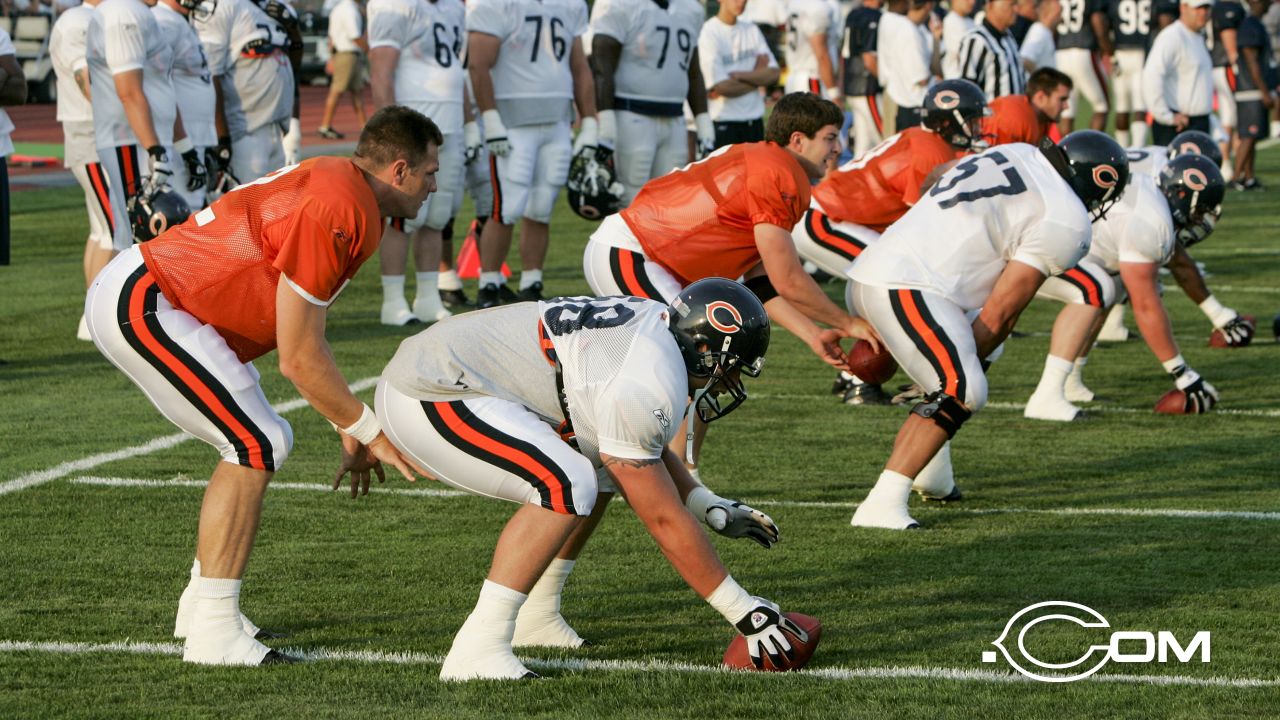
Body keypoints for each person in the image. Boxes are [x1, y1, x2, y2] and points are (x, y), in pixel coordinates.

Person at [84, 106, 441, 665]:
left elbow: (304, 342)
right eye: (428, 172)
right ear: (399, 171)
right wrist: (369, 430)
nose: (433, 186)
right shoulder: (340, 205)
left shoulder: (339, 186)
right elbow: (297, 357)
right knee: (257, 441)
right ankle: (215, 633)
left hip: (168, 301)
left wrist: (342, 421)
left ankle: (201, 608)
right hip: (151, 299)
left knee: (261, 437)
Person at [375, 280, 801, 680]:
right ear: (704, 347)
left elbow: (640, 452)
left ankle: (537, 614)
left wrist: (707, 504)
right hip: (437, 388)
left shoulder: (657, 328)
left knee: (595, 467)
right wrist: (745, 612)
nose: (732, 380)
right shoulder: (647, 379)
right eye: (732, 367)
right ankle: (478, 648)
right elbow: (661, 517)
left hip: (459, 370)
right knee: (567, 481)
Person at [846, 130, 1129, 529]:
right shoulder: (1067, 218)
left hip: (880, 268)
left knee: (975, 361)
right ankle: (882, 503)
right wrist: (950, 377)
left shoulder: (1019, 151)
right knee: (964, 388)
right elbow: (1002, 311)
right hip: (907, 285)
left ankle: (933, 473)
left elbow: (937, 177)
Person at [793, 79, 989, 405]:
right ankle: (860, 379)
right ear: (948, 121)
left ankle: (854, 376)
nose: (976, 128)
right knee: (892, 284)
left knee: (889, 288)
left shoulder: (927, 142)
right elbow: (922, 226)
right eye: (970, 120)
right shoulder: (931, 151)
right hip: (824, 219)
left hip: (834, 216)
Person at [1025, 153, 1224, 420]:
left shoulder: (1150, 193)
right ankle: (1046, 396)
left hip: (1056, 241)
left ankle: (1070, 380)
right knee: (1098, 289)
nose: (1200, 220)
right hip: (1034, 245)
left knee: (1114, 285)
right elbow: (1146, 305)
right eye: (1200, 211)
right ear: (1181, 195)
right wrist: (1182, 374)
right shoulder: (1154, 221)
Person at [467, 0, 597, 307]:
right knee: (507, 207)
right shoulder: (496, 5)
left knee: (542, 205)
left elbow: (580, 66)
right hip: (514, 122)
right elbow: (478, 64)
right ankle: (488, 284)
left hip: (556, 121)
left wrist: (590, 119)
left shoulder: (570, 5)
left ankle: (532, 281)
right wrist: (490, 118)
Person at [1099, 131, 1254, 346]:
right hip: (1091, 218)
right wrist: (1220, 315)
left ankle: (1110, 326)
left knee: (1128, 263)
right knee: (1136, 267)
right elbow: (1179, 262)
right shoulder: (1160, 178)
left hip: (1105, 214)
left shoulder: (1160, 159)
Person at [367, 0, 464, 326]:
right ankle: (393, 302)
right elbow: (381, 71)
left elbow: (457, 71)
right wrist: (391, 131)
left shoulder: (453, 7)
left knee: (437, 217)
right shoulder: (395, 5)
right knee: (400, 219)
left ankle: (427, 296)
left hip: (450, 126)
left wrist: (473, 123)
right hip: (412, 130)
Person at [589, 0, 712, 206]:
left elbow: (693, 72)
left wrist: (704, 122)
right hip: (632, 114)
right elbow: (602, 66)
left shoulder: (690, 9)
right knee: (631, 200)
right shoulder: (618, 5)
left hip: (675, 118)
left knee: (670, 202)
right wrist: (606, 123)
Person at [86, 0, 178, 251]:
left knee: (153, 236)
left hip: (141, 140)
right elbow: (129, 91)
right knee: (144, 234)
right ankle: (136, 292)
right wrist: (154, 150)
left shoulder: (131, 10)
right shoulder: (122, 11)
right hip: (132, 141)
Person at [50, 0, 108, 338]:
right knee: (114, 228)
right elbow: (86, 78)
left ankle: (91, 315)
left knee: (102, 228)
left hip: (93, 131)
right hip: (92, 132)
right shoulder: (78, 20)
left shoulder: (88, 18)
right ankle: (95, 318)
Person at [194, 0, 296, 183]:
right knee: (246, 204)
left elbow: (292, 66)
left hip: (276, 127)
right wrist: (221, 135)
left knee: (279, 205)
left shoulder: (276, 7)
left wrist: (293, 30)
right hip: (244, 130)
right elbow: (209, 74)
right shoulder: (222, 7)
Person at [154, 0, 216, 212]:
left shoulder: (179, 21)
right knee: (184, 214)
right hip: (181, 137)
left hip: (193, 134)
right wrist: (185, 147)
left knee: (194, 210)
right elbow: (160, 85)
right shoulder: (165, 22)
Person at [697, 0, 780, 148]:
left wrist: (740, 75)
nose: (741, 2)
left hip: (754, 122)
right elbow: (722, 87)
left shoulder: (751, 29)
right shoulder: (709, 32)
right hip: (724, 121)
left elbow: (774, 74)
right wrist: (757, 77)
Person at [1142, 0, 1214, 145]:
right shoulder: (1172, 36)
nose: (1204, 12)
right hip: (1178, 127)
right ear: (1183, 7)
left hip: (1197, 123)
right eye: (1198, 8)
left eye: (1207, 7)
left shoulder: (1197, 36)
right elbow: (1152, 76)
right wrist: (1165, 116)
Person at [1230, 0, 1275, 189]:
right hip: (1251, 90)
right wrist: (1264, 91)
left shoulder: (1255, 24)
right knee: (1248, 135)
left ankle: (1249, 176)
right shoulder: (1250, 25)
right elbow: (1251, 61)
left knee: (1252, 136)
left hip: (1255, 90)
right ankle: (1235, 178)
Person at [1054, 0, 1112, 133]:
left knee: (1067, 110)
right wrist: (1107, 49)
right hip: (1084, 49)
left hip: (1061, 52)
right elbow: (1097, 20)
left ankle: (1066, 151)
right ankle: (1092, 149)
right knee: (1102, 106)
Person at [879, 0, 937, 130]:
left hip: (897, 97)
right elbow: (921, 78)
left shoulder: (891, 20)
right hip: (906, 103)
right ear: (928, 5)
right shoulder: (907, 29)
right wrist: (936, 77)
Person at [983, 66, 1074, 145]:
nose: (1066, 106)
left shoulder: (1043, 120)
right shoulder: (1018, 116)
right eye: (1062, 99)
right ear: (1041, 97)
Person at [957, 0, 1027, 100]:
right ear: (990, 5)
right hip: (994, 114)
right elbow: (967, 89)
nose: (1016, 9)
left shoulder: (1009, 38)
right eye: (1012, 4)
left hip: (1015, 113)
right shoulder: (977, 40)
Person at [318, 0, 368, 139]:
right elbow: (355, 36)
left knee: (357, 92)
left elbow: (331, 37)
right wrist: (369, 50)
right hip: (348, 54)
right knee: (337, 90)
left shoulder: (340, 8)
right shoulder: (349, 10)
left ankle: (365, 126)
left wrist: (331, 56)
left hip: (346, 53)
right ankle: (325, 125)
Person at [843, 0, 887, 157]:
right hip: (867, 87)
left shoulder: (854, 13)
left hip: (853, 85)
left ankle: (855, 181)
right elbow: (869, 58)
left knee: (863, 148)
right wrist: (886, 81)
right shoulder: (873, 16)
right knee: (886, 141)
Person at [1108, 0, 1155, 147]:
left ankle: (1123, 148)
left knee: (1122, 107)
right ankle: (1137, 149)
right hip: (1142, 52)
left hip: (1120, 53)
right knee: (1140, 106)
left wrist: (1110, 54)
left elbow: (1107, 24)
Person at [1209, 0, 1245, 176]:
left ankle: (1228, 162)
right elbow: (1228, 35)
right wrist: (1238, 65)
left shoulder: (1215, 6)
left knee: (1228, 114)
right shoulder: (1227, 7)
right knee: (1235, 114)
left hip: (1216, 65)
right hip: (1225, 65)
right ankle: (1230, 162)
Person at [785, 0, 842, 101]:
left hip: (795, 77)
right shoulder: (817, 7)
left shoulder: (795, 3)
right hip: (813, 79)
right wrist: (834, 93)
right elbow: (821, 55)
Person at [1020, 0, 1061, 72]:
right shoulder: (1039, 31)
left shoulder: (1045, 32)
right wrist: (1041, 80)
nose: (1061, 17)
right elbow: (1026, 60)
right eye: (1059, 12)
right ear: (1048, 10)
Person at [942, 0, 977, 79]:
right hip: (957, 79)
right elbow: (965, 53)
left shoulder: (971, 22)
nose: (972, 2)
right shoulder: (951, 20)